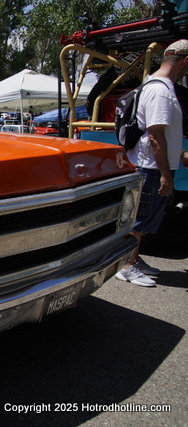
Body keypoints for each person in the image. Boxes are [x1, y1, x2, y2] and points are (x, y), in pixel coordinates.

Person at [116, 39, 188, 287]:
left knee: (143, 218)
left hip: (154, 165)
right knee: (138, 219)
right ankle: (126, 265)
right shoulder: (160, 91)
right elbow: (155, 136)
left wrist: (179, 156)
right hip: (151, 167)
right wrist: (166, 175)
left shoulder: (160, 87)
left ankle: (133, 259)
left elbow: (163, 134)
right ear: (185, 61)